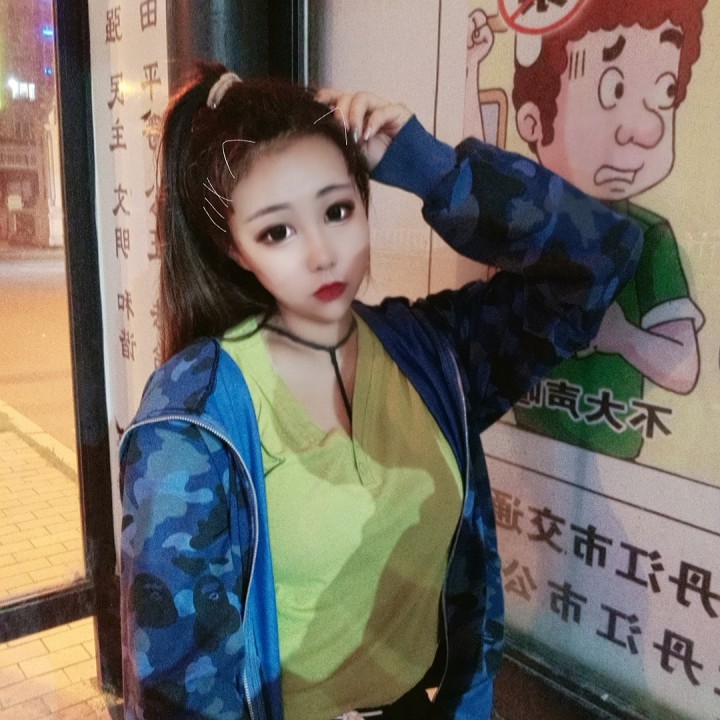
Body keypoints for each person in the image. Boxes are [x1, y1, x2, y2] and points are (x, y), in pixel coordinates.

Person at [119, 62, 642, 720]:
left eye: (337, 210)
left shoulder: (434, 353)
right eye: (277, 231)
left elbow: (602, 255)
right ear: (235, 250)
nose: (322, 253)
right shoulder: (193, 418)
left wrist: (429, 168)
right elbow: (177, 693)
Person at [511, 0, 707, 459]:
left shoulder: (649, 238)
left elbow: (684, 369)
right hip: (523, 442)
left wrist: (622, 338)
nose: (644, 128)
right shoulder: (524, 220)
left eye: (664, 92)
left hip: (614, 453)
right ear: (533, 121)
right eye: (611, 89)